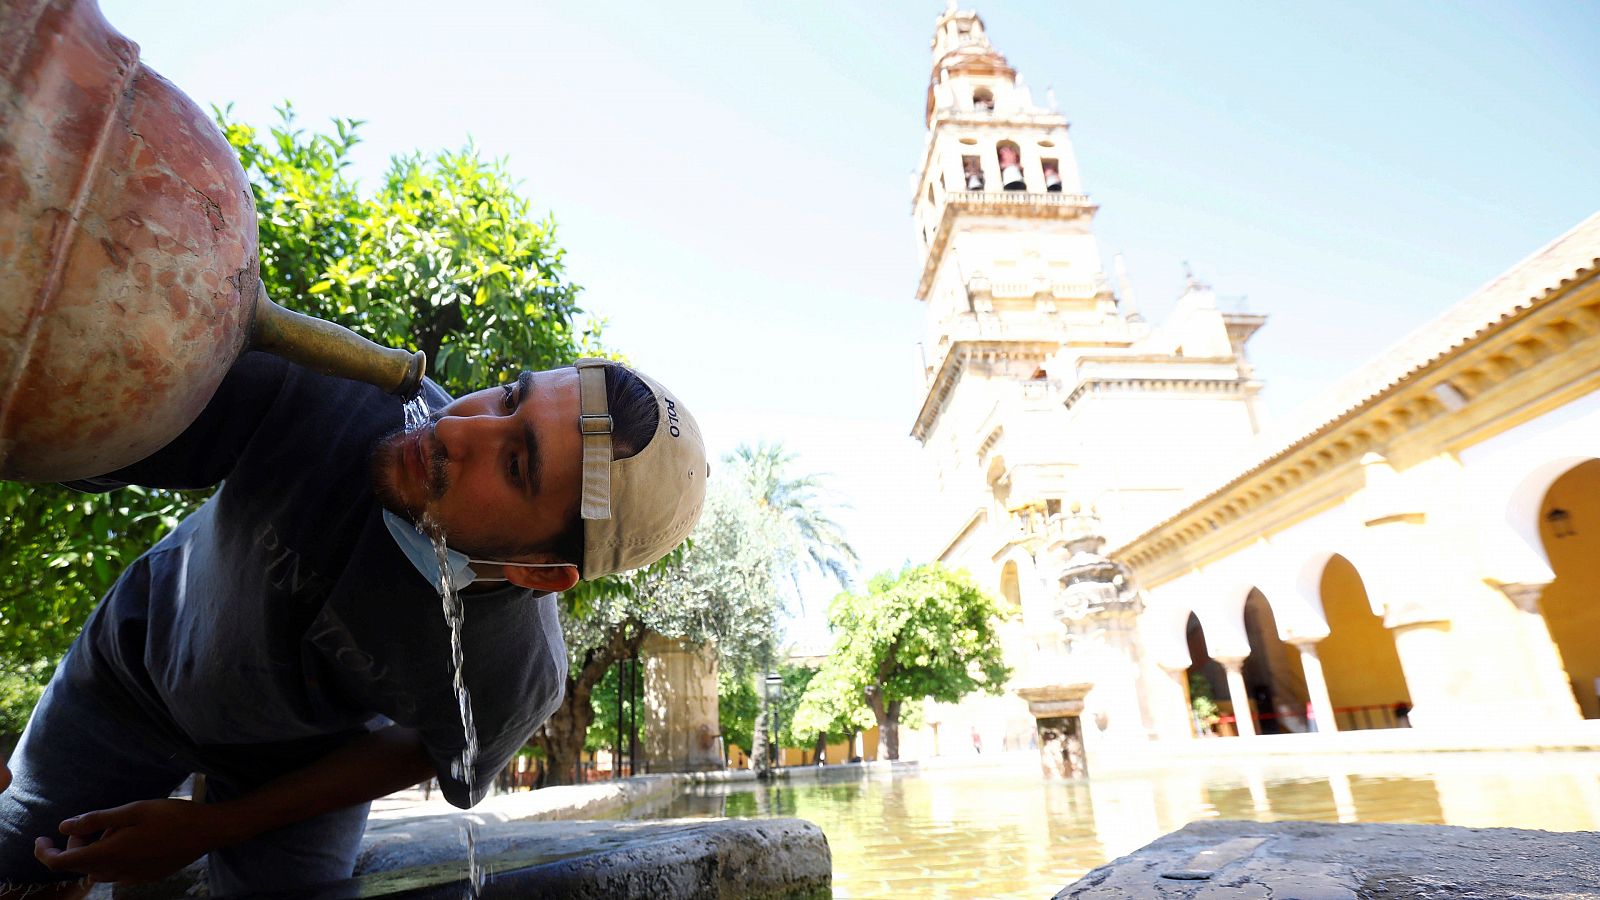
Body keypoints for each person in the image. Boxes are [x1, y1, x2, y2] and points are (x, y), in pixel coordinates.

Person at [0, 352, 706, 896]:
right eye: (509, 394)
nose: (457, 425)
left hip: (294, 762)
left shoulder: (511, 672)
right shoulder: (335, 388)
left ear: (539, 574)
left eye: (516, 462)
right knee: (13, 862)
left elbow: (433, 750)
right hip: (131, 667)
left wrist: (213, 828)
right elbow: (76, 425)